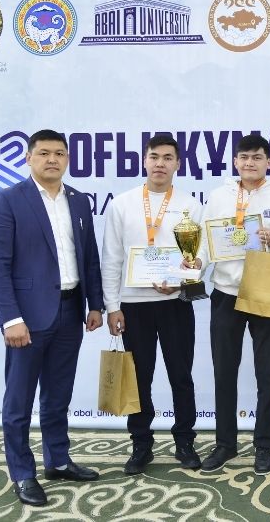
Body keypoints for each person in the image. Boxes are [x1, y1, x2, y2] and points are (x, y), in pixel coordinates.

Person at [0, 129, 104, 507]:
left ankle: (58, 460)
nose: (53, 159)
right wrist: (10, 318)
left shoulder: (79, 200)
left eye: (60, 153)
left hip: (71, 311)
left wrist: (95, 304)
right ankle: (22, 473)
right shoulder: (8, 200)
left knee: (58, 395)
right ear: (29, 158)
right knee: (18, 402)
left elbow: (89, 257)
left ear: (67, 159)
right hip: (27, 318)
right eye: (44, 153)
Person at [196, 134, 270, 475]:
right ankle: (225, 444)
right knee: (224, 371)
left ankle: (264, 445)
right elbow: (205, 243)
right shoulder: (218, 196)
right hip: (225, 292)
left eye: (257, 157)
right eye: (244, 157)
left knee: (268, 373)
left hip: (266, 289)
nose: (250, 163)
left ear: (269, 162)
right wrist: (195, 266)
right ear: (235, 162)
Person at [102, 135, 202, 475]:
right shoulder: (122, 204)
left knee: (181, 376)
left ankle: (185, 441)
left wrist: (182, 280)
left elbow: (201, 257)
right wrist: (112, 306)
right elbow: (111, 258)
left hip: (176, 303)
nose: (160, 163)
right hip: (133, 305)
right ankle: (141, 444)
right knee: (138, 377)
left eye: (167, 158)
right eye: (154, 156)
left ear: (178, 164)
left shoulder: (191, 205)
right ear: (144, 161)